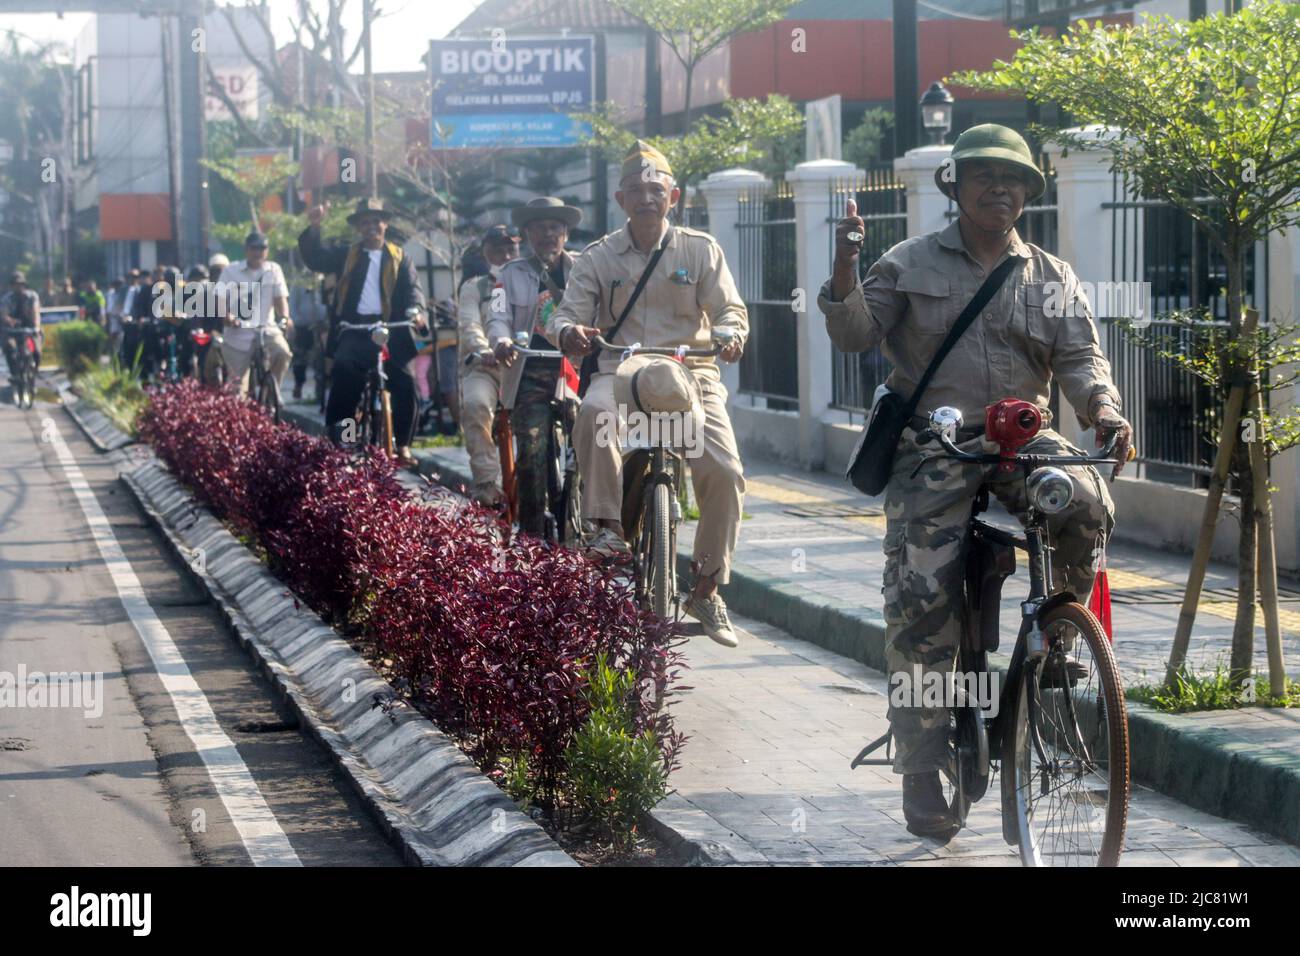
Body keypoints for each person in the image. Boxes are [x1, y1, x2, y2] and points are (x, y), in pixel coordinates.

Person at [817, 123, 1135, 838]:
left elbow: (1082, 359)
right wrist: (844, 264)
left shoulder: (1051, 276)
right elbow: (854, 333)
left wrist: (1105, 412)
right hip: (935, 443)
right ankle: (923, 764)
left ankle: (1057, 642)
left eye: (1015, 178)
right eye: (985, 175)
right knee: (922, 596)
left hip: (1024, 435)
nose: (1001, 188)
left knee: (1086, 501)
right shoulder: (907, 262)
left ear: (1028, 192)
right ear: (954, 187)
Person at [544, 142, 749, 647]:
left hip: (692, 373)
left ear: (673, 195)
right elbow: (566, 314)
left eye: (655, 189)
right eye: (634, 189)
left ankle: (706, 586)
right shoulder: (597, 256)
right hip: (619, 370)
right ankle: (607, 528)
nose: (645, 197)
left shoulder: (701, 250)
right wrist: (570, 332)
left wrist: (730, 333)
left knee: (725, 470)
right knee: (592, 415)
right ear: (620, 199)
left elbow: (730, 309)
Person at [299, 198, 427, 466]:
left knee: (406, 383)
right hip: (354, 329)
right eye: (365, 222)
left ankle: (402, 444)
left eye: (376, 221)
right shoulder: (347, 254)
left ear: (385, 224)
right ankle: (344, 439)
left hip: (391, 332)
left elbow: (413, 290)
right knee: (345, 372)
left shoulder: (400, 257)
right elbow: (315, 258)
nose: (371, 226)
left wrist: (417, 312)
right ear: (358, 227)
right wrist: (314, 227)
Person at [488, 198, 582, 538]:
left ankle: (593, 526)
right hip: (530, 373)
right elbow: (496, 316)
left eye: (555, 227)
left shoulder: (585, 269)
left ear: (566, 233)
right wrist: (501, 341)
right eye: (540, 227)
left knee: (595, 443)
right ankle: (530, 537)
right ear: (528, 233)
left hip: (575, 372)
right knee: (530, 450)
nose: (548, 234)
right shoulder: (508, 275)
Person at [457, 223, 520, 504]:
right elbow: (469, 325)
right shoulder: (474, 287)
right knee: (475, 405)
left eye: (511, 248)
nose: (505, 255)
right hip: (486, 367)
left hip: (523, 368)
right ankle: (485, 483)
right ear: (485, 252)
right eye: (497, 249)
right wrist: (484, 350)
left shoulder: (533, 282)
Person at [217, 232, 293, 397]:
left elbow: (281, 299)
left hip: (267, 329)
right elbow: (220, 299)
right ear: (246, 250)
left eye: (262, 248)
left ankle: (270, 392)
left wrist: (285, 318)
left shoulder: (274, 270)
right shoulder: (231, 271)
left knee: (283, 353)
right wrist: (227, 316)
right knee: (237, 391)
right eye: (254, 248)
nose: (258, 252)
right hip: (238, 332)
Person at [289, 274, 328, 400]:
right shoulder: (299, 281)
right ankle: (298, 384)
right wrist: (296, 320)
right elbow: (292, 304)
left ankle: (320, 389)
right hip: (303, 326)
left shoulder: (325, 279)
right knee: (300, 357)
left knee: (321, 358)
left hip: (321, 325)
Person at [1, 271, 42, 385]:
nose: (17, 286)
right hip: (12, 331)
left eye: (20, 284)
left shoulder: (32, 296)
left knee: (37, 352)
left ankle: (34, 372)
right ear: (12, 286)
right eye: (15, 284)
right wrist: (10, 321)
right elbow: (4, 314)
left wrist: (36, 327)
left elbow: (35, 311)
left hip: (30, 330)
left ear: (24, 285)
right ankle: (15, 375)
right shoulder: (7, 299)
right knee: (10, 347)